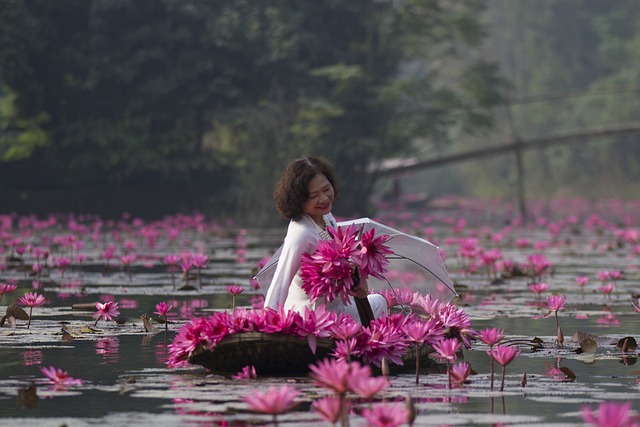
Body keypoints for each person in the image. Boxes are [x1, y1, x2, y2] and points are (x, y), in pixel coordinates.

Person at [264, 156, 387, 324]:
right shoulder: (301, 233)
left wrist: (356, 281)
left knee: (378, 302)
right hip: (311, 317)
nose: (323, 198)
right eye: (313, 195)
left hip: (332, 307)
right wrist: (268, 321)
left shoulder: (327, 218)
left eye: (326, 189)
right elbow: (280, 281)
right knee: (378, 305)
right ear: (298, 199)